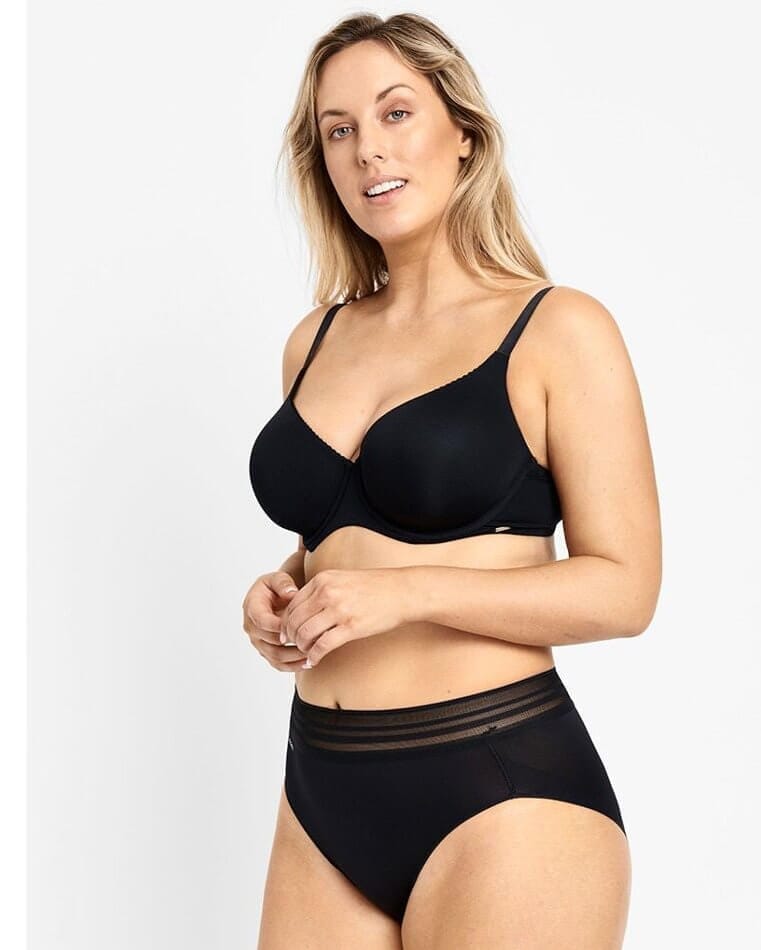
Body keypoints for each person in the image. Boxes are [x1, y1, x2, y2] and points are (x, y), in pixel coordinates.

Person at [243, 12, 661, 949]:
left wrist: (405, 596)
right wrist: (285, 590)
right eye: (340, 129)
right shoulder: (313, 341)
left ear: (463, 133)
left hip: (501, 788)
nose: (368, 149)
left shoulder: (558, 329)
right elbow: (342, 539)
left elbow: (626, 589)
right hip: (321, 790)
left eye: (396, 113)